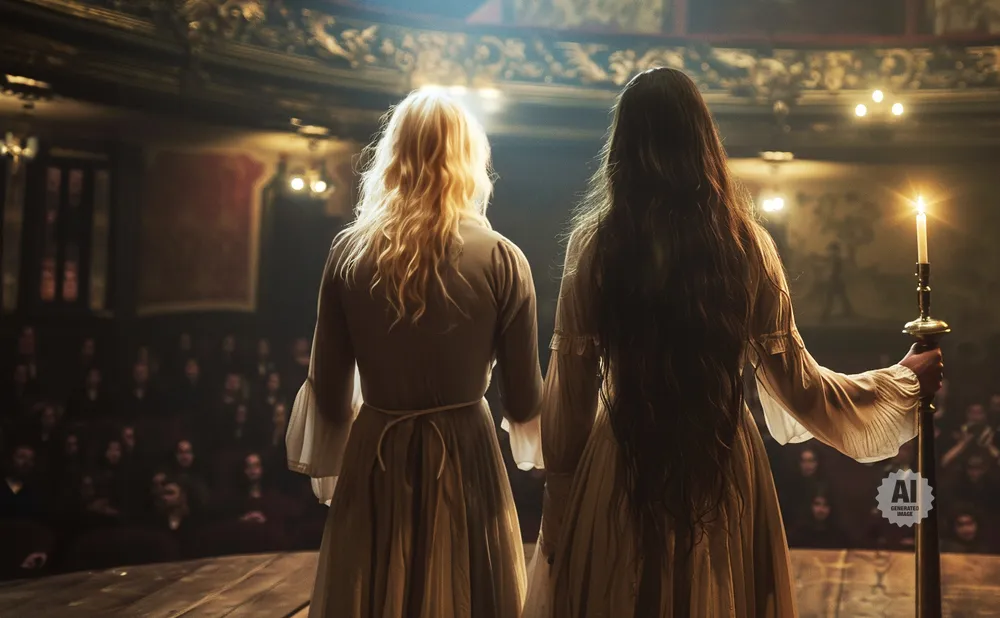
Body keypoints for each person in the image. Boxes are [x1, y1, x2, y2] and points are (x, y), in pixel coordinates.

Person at [521, 67, 943, 617]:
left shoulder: (598, 246)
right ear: (704, 142)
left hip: (621, 457)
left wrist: (560, 510)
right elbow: (801, 385)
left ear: (622, 146)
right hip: (720, 463)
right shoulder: (745, 244)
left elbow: (571, 396)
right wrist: (902, 382)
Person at [286, 88, 544, 618]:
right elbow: (522, 404)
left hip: (378, 456)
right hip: (466, 457)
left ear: (394, 156)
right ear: (470, 160)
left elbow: (331, 403)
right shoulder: (502, 258)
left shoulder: (348, 253)